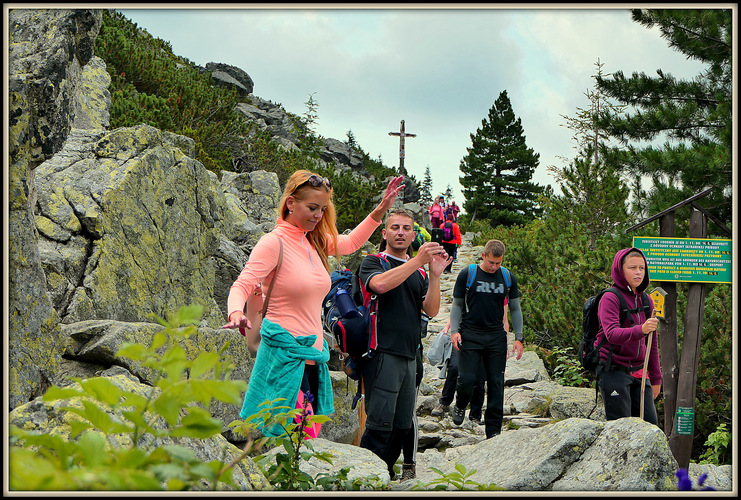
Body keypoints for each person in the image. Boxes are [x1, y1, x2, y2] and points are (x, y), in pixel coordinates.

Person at [223, 170, 404, 437]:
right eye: (312, 207)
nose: (318, 215)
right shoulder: (273, 242)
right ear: (290, 203)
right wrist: (236, 311)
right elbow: (244, 282)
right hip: (284, 353)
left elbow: (352, 241)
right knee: (287, 435)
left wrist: (381, 209)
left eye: (322, 208)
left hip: (313, 355)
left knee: (304, 439)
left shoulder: (314, 241)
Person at [357, 208, 452, 479]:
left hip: (411, 354)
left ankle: (384, 473)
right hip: (382, 352)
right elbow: (380, 286)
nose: (400, 232)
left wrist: (433, 274)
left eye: (406, 228)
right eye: (395, 228)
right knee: (379, 424)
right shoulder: (374, 262)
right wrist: (416, 261)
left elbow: (431, 311)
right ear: (384, 233)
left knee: (401, 424)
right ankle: (366, 478)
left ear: (413, 234)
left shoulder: (419, 273)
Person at [450, 239, 524, 439]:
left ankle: (493, 431)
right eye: (491, 262)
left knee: (496, 383)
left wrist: (519, 337)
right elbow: (457, 304)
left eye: (498, 263)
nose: (494, 267)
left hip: (496, 336)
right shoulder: (468, 274)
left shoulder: (508, 277)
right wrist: (454, 330)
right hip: (470, 333)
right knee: (467, 379)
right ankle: (459, 404)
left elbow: (516, 309)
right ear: (483, 256)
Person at [595, 247, 661, 425]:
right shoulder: (610, 298)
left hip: (640, 371)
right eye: (632, 268)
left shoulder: (646, 300)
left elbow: (652, 343)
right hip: (613, 371)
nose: (638, 272)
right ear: (620, 269)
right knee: (620, 430)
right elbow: (612, 334)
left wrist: (656, 378)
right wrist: (641, 329)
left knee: (650, 427)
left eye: (642, 268)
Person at [431, 300, 510, 425]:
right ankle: (444, 402)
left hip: (489, 339)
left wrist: (505, 344)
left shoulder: (500, 289)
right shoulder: (469, 282)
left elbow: (504, 320)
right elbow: (457, 306)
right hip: (465, 334)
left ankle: (475, 415)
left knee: (479, 378)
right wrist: (449, 326)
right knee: (455, 368)